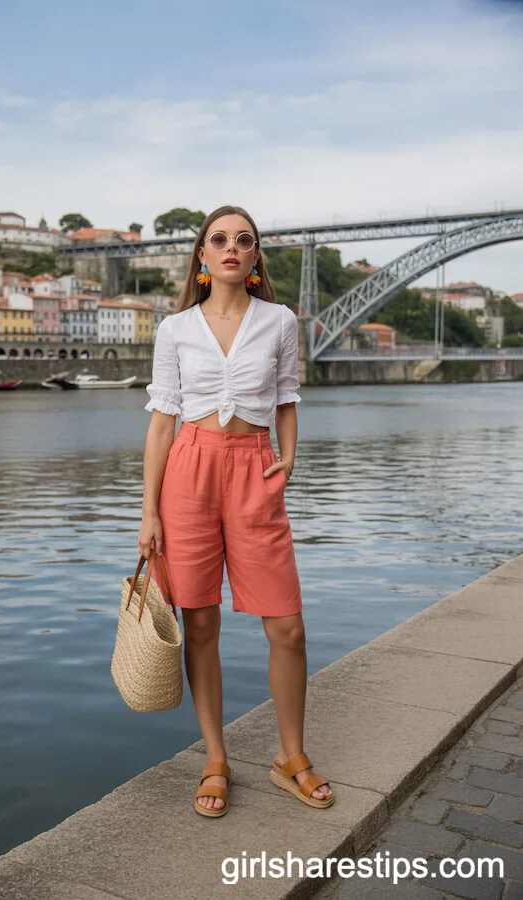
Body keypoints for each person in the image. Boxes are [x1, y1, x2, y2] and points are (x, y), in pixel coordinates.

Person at [138, 205, 334, 818]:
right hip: (187, 473)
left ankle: (290, 755)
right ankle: (216, 757)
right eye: (218, 239)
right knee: (200, 623)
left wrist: (290, 458)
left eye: (243, 241)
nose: (231, 248)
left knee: (288, 624)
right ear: (201, 257)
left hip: (255, 467)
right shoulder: (174, 330)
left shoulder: (279, 321)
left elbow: (287, 397)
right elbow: (162, 422)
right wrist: (148, 512)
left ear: (254, 259)